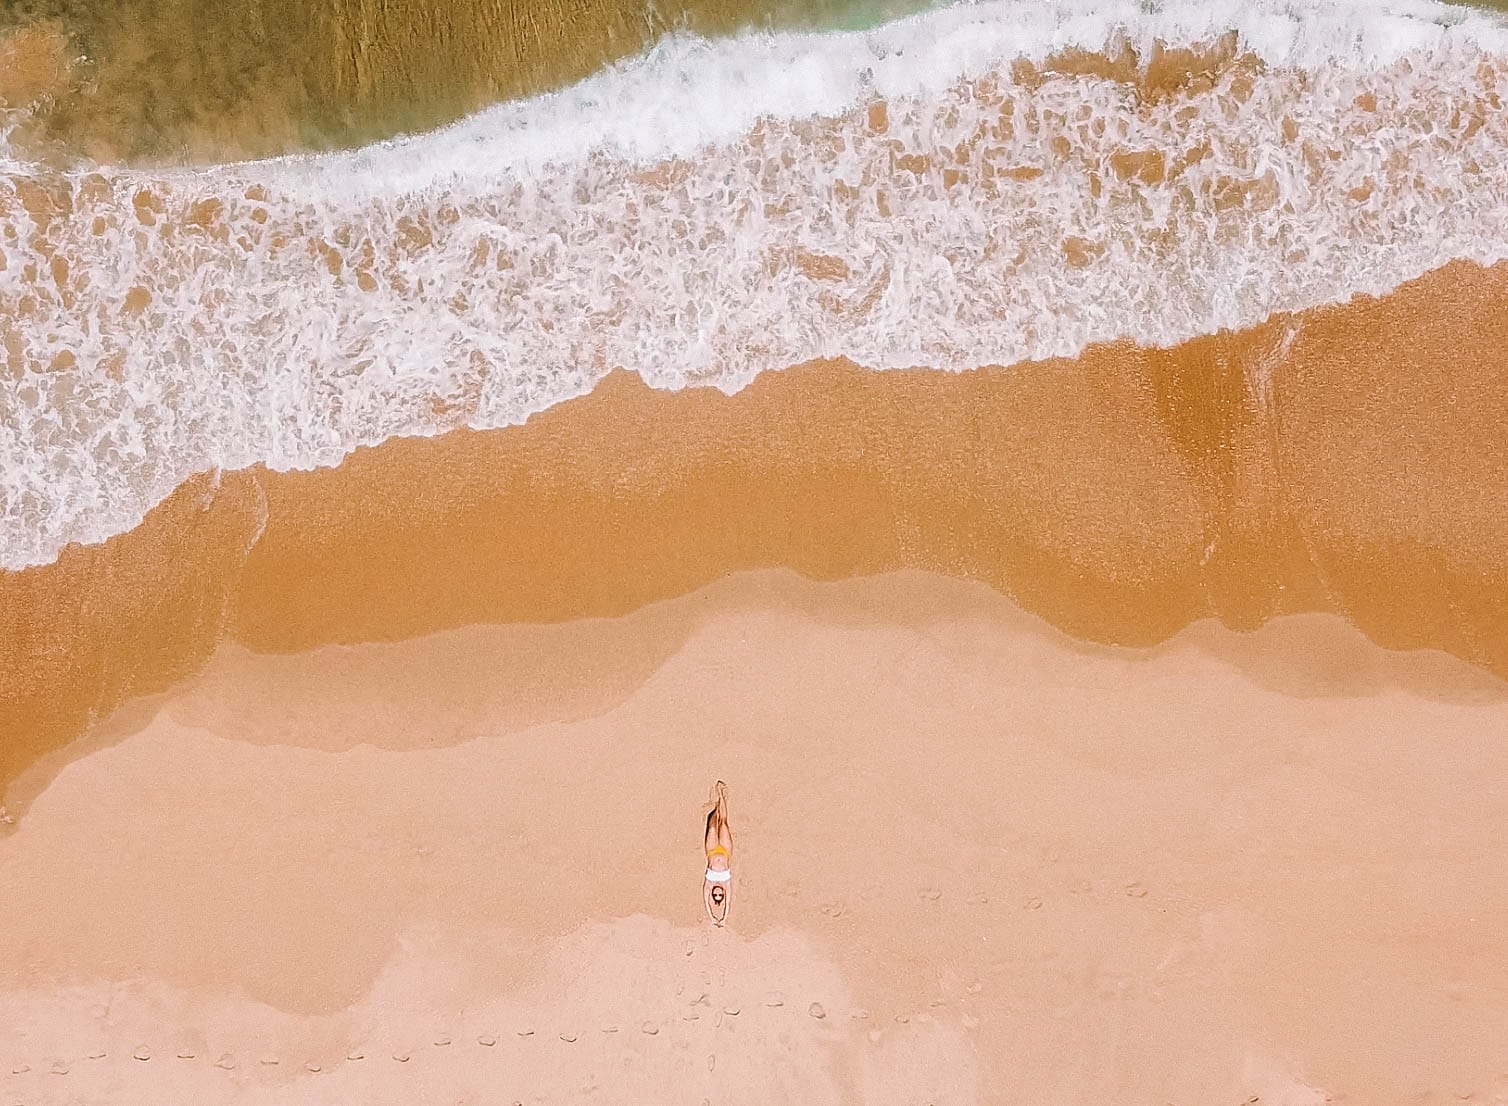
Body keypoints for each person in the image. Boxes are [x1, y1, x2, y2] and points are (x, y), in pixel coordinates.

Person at [702, 780, 733, 926]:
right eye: (720, 895)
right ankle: (721, 798)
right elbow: (728, 903)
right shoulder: (726, 884)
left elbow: (706, 901)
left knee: (713, 827)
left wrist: (713, 917)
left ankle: (717, 806)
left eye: (716, 895)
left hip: (712, 850)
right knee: (724, 824)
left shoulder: (710, 883)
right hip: (726, 851)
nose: (718, 892)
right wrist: (723, 918)